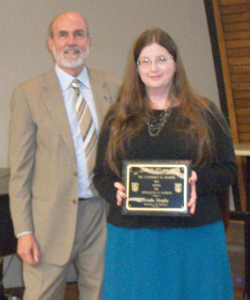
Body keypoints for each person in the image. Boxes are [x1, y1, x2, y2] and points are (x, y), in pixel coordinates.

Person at [93, 28, 237, 300]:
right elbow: (100, 175)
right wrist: (117, 193)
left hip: (195, 237)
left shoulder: (205, 112)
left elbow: (228, 168)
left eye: (161, 59)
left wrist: (197, 182)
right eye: (145, 61)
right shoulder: (118, 116)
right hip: (134, 240)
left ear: (175, 63)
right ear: (136, 68)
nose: (153, 68)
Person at [9, 11, 121, 300]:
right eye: (63, 35)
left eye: (79, 34)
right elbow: (20, 173)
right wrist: (23, 233)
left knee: (101, 295)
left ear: (89, 41)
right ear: (51, 42)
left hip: (102, 214)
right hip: (48, 224)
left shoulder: (116, 88)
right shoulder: (28, 94)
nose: (72, 42)